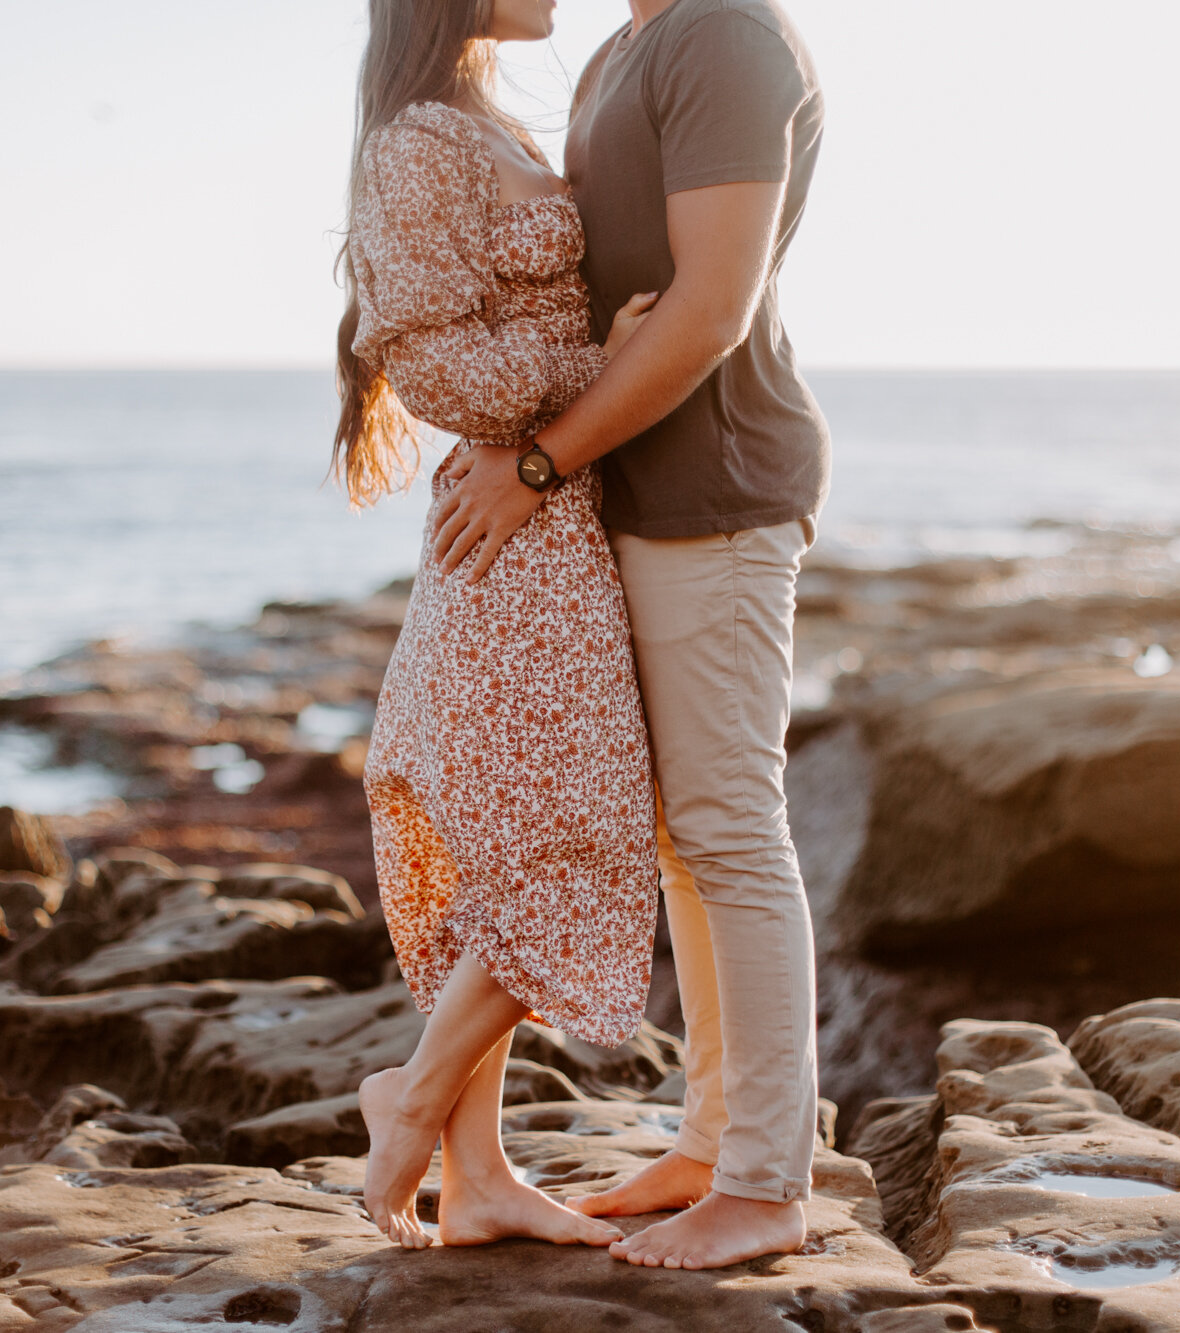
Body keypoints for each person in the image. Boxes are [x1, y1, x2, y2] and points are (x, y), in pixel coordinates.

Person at [429, 0, 829, 1271]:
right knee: (678, 839)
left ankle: (767, 1182)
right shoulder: (623, 47)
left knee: (727, 828)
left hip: (712, 492)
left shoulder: (724, 37)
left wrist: (537, 464)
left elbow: (709, 306)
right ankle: (713, 1142)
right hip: (632, 494)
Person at [336, 0, 666, 1251]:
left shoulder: (497, 123)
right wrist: (604, 367)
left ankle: (476, 1179)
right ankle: (412, 1097)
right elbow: (437, 370)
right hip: (510, 538)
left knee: (514, 843)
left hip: (552, 521)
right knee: (568, 834)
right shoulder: (413, 141)